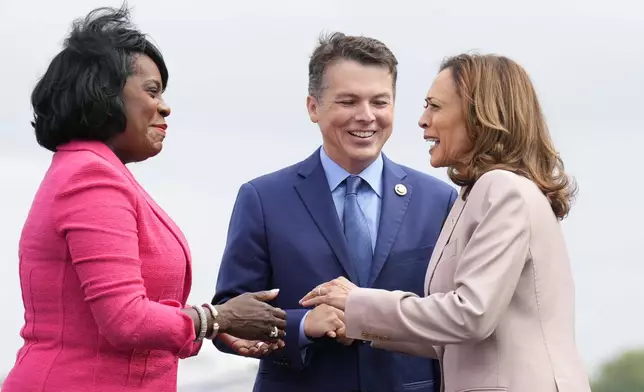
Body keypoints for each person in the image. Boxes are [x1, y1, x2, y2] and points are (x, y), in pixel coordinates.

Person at [3, 6, 286, 392]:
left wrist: (210, 328)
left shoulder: (92, 170)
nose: (165, 106)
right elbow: (124, 320)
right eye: (152, 91)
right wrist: (217, 317)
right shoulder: (91, 178)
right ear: (103, 95)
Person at [300, 53, 592, 392]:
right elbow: (450, 341)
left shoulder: (502, 189)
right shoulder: (473, 196)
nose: (422, 120)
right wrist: (356, 322)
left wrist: (357, 301)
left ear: (479, 115)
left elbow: (470, 315)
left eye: (435, 106)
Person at [211, 32, 457, 392]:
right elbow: (227, 319)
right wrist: (304, 324)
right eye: (348, 101)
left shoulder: (438, 200)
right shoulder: (263, 198)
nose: (366, 116)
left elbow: (456, 314)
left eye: (380, 102)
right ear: (313, 107)